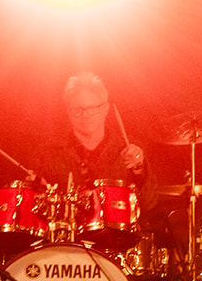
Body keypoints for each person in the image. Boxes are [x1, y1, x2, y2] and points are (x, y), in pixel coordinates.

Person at [35, 72, 158, 226]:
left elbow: (148, 203)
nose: (85, 115)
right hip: (66, 237)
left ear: (106, 108)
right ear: (68, 112)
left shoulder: (128, 148)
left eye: (92, 108)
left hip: (116, 237)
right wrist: (36, 189)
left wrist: (139, 169)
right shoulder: (49, 152)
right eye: (77, 109)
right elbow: (36, 213)